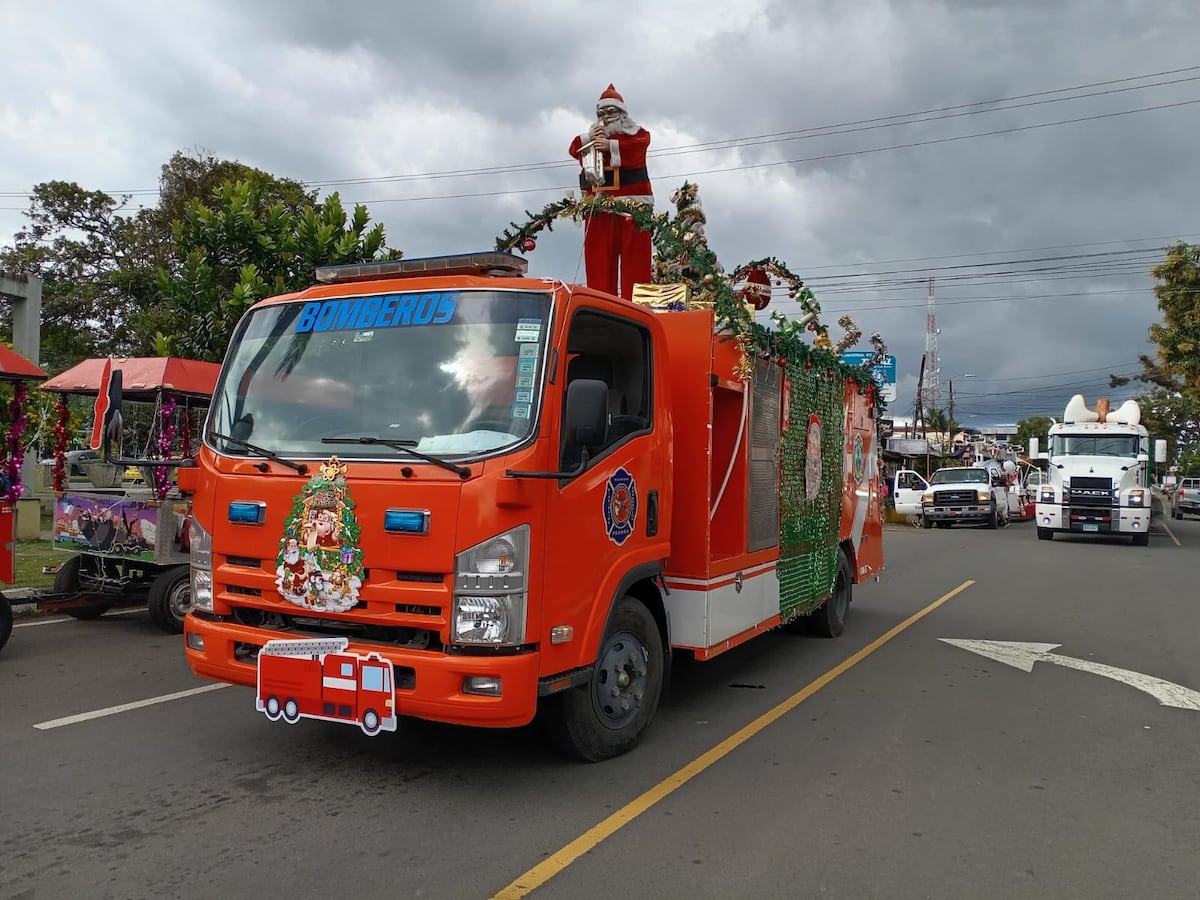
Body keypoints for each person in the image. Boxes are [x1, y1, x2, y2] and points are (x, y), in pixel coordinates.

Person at [568, 84, 653, 299]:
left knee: (636, 262)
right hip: (599, 207)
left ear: (622, 114)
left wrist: (610, 146)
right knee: (599, 261)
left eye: (611, 112)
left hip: (633, 206)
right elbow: (574, 148)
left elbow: (639, 146)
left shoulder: (636, 134)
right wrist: (591, 138)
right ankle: (601, 304)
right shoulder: (592, 138)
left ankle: (635, 308)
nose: (606, 117)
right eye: (601, 113)